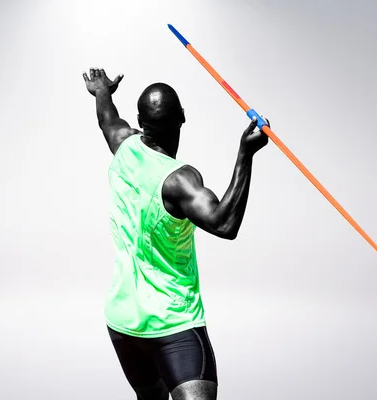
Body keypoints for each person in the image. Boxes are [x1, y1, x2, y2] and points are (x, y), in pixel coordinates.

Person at [82, 68, 269, 400]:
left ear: (140, 121)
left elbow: (107, 119)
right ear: (182, 118)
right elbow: (224, 224)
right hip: (173, 325)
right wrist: (245, 155)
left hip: (123, 322)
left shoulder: (124, 145)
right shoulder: (180, 180)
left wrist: (101, 91)